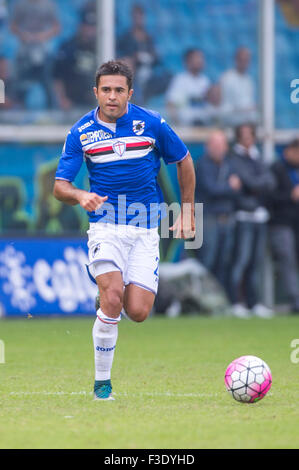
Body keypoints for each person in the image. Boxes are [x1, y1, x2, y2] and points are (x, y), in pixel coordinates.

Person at [53, 60, 195, 400]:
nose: (112, 96)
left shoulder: (151, 123)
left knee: (139, 311)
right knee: (114, 297)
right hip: (106, 228)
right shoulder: (81, 132)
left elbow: (184, 160)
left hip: (145, 231)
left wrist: (188, 210)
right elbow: (60, 187)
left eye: (119, 90)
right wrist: (80, 194)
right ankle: (102, 384)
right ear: (95, 92)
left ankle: (106, 298)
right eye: (106, 90)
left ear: (130, 93)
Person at [228, 124, 276, 318]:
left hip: (260, 216)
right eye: (244, 135)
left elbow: (270, 182)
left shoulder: (257, 156)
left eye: (251, 135)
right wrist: (256, 185)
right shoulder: (234, 158)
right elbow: (249, 182)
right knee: (241, 260)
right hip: (243, 215)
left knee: (256, 263)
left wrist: (254, 185)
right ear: (239, 137)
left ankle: (253, 302)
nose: (248, 139)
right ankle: (236, 302)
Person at [195, 130, 241, 295]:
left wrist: (229, 189)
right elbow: (212, 189)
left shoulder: (229, 164)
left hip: (227, 219)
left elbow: (240, 188)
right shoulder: (202, 164)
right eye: (215, 145)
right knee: (208, 260)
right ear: (208, 146)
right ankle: (203, 298)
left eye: (222, 145)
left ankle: (221, 299)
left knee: (225, 261)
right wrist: (230, 187)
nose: (219, 149)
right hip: (208, 219)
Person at [267, 139, 299, 313]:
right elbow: (269, 197)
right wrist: (290, 195)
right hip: (281, 224)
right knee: (287, 261)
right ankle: (295, 302)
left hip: (295, 223)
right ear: (290, 151)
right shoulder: (277, 169)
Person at [10, 0, 60, 108]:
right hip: (25, 50)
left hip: (44, 50)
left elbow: (56, 27)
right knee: (20, 84)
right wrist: (24, 35)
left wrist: (43, 36)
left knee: (47, 83)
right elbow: (13, 26)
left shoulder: (49, 5)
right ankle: (17, 109)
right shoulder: (21, 5)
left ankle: (51, 111)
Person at [117, 4, 169, 105]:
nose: (139, 19)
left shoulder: (149, 38)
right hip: (133, 72)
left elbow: (157, 58)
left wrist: (149, 57)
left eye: (141, 16)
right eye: (136, 17)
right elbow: (120, 55)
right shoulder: (125, 37)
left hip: (149, 73)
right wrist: (133, 58)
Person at [53, 3, 97, 111]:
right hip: (72, 102)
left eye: (92, 27)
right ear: (80, 26)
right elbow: (57, 76)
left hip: (95, 102)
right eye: (86, 26)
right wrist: (62, 99)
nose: (89, 30)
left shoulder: (103, 47)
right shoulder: (68, 47)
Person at [166, 48, 211, 126]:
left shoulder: (205, 81)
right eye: (197, 58)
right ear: (188, 61)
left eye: (201, 58)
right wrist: (177, 124)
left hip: (203, 124)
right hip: (186, 126)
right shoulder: (180, 80)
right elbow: (171, 103)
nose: (200, 61)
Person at [219, 47, 258, 127]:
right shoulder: (227, 78)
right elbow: (225, 106)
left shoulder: (249, 80)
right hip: (231, 123)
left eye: (247, 60)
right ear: (236, 60)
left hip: (247, 123)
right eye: (242, 60)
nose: (244, 63)